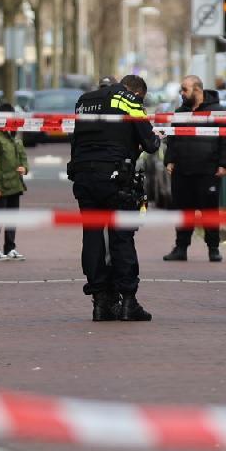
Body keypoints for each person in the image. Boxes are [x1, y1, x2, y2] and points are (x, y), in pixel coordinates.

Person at [67, 74, 160, 321]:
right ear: (137, 92)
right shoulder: (129, 100)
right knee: (121, 237)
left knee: (93, 237)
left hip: (84, 177)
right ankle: (128, 301)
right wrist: (155, 138)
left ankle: (100, 302)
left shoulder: (84, 100)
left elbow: (76, 139)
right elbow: (150, 143)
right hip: (115, 178)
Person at [162, 76, 226, 263]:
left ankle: (213, 249)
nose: (181, 94)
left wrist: (224, 164)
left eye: (185, 90)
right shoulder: (180, 112)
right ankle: (181, 248)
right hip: (183, 171)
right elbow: (172, 139)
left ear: (197, 90)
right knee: (183, 211)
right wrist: (170, 160)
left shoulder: (218, 112)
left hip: (208, 170)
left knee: (209, 211)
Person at [0, 120, 29, 262]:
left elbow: (24, 159)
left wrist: (25, 168)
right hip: (2, 187)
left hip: (16, 185)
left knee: (12, 218)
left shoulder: (16, 140)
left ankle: (10, 248)